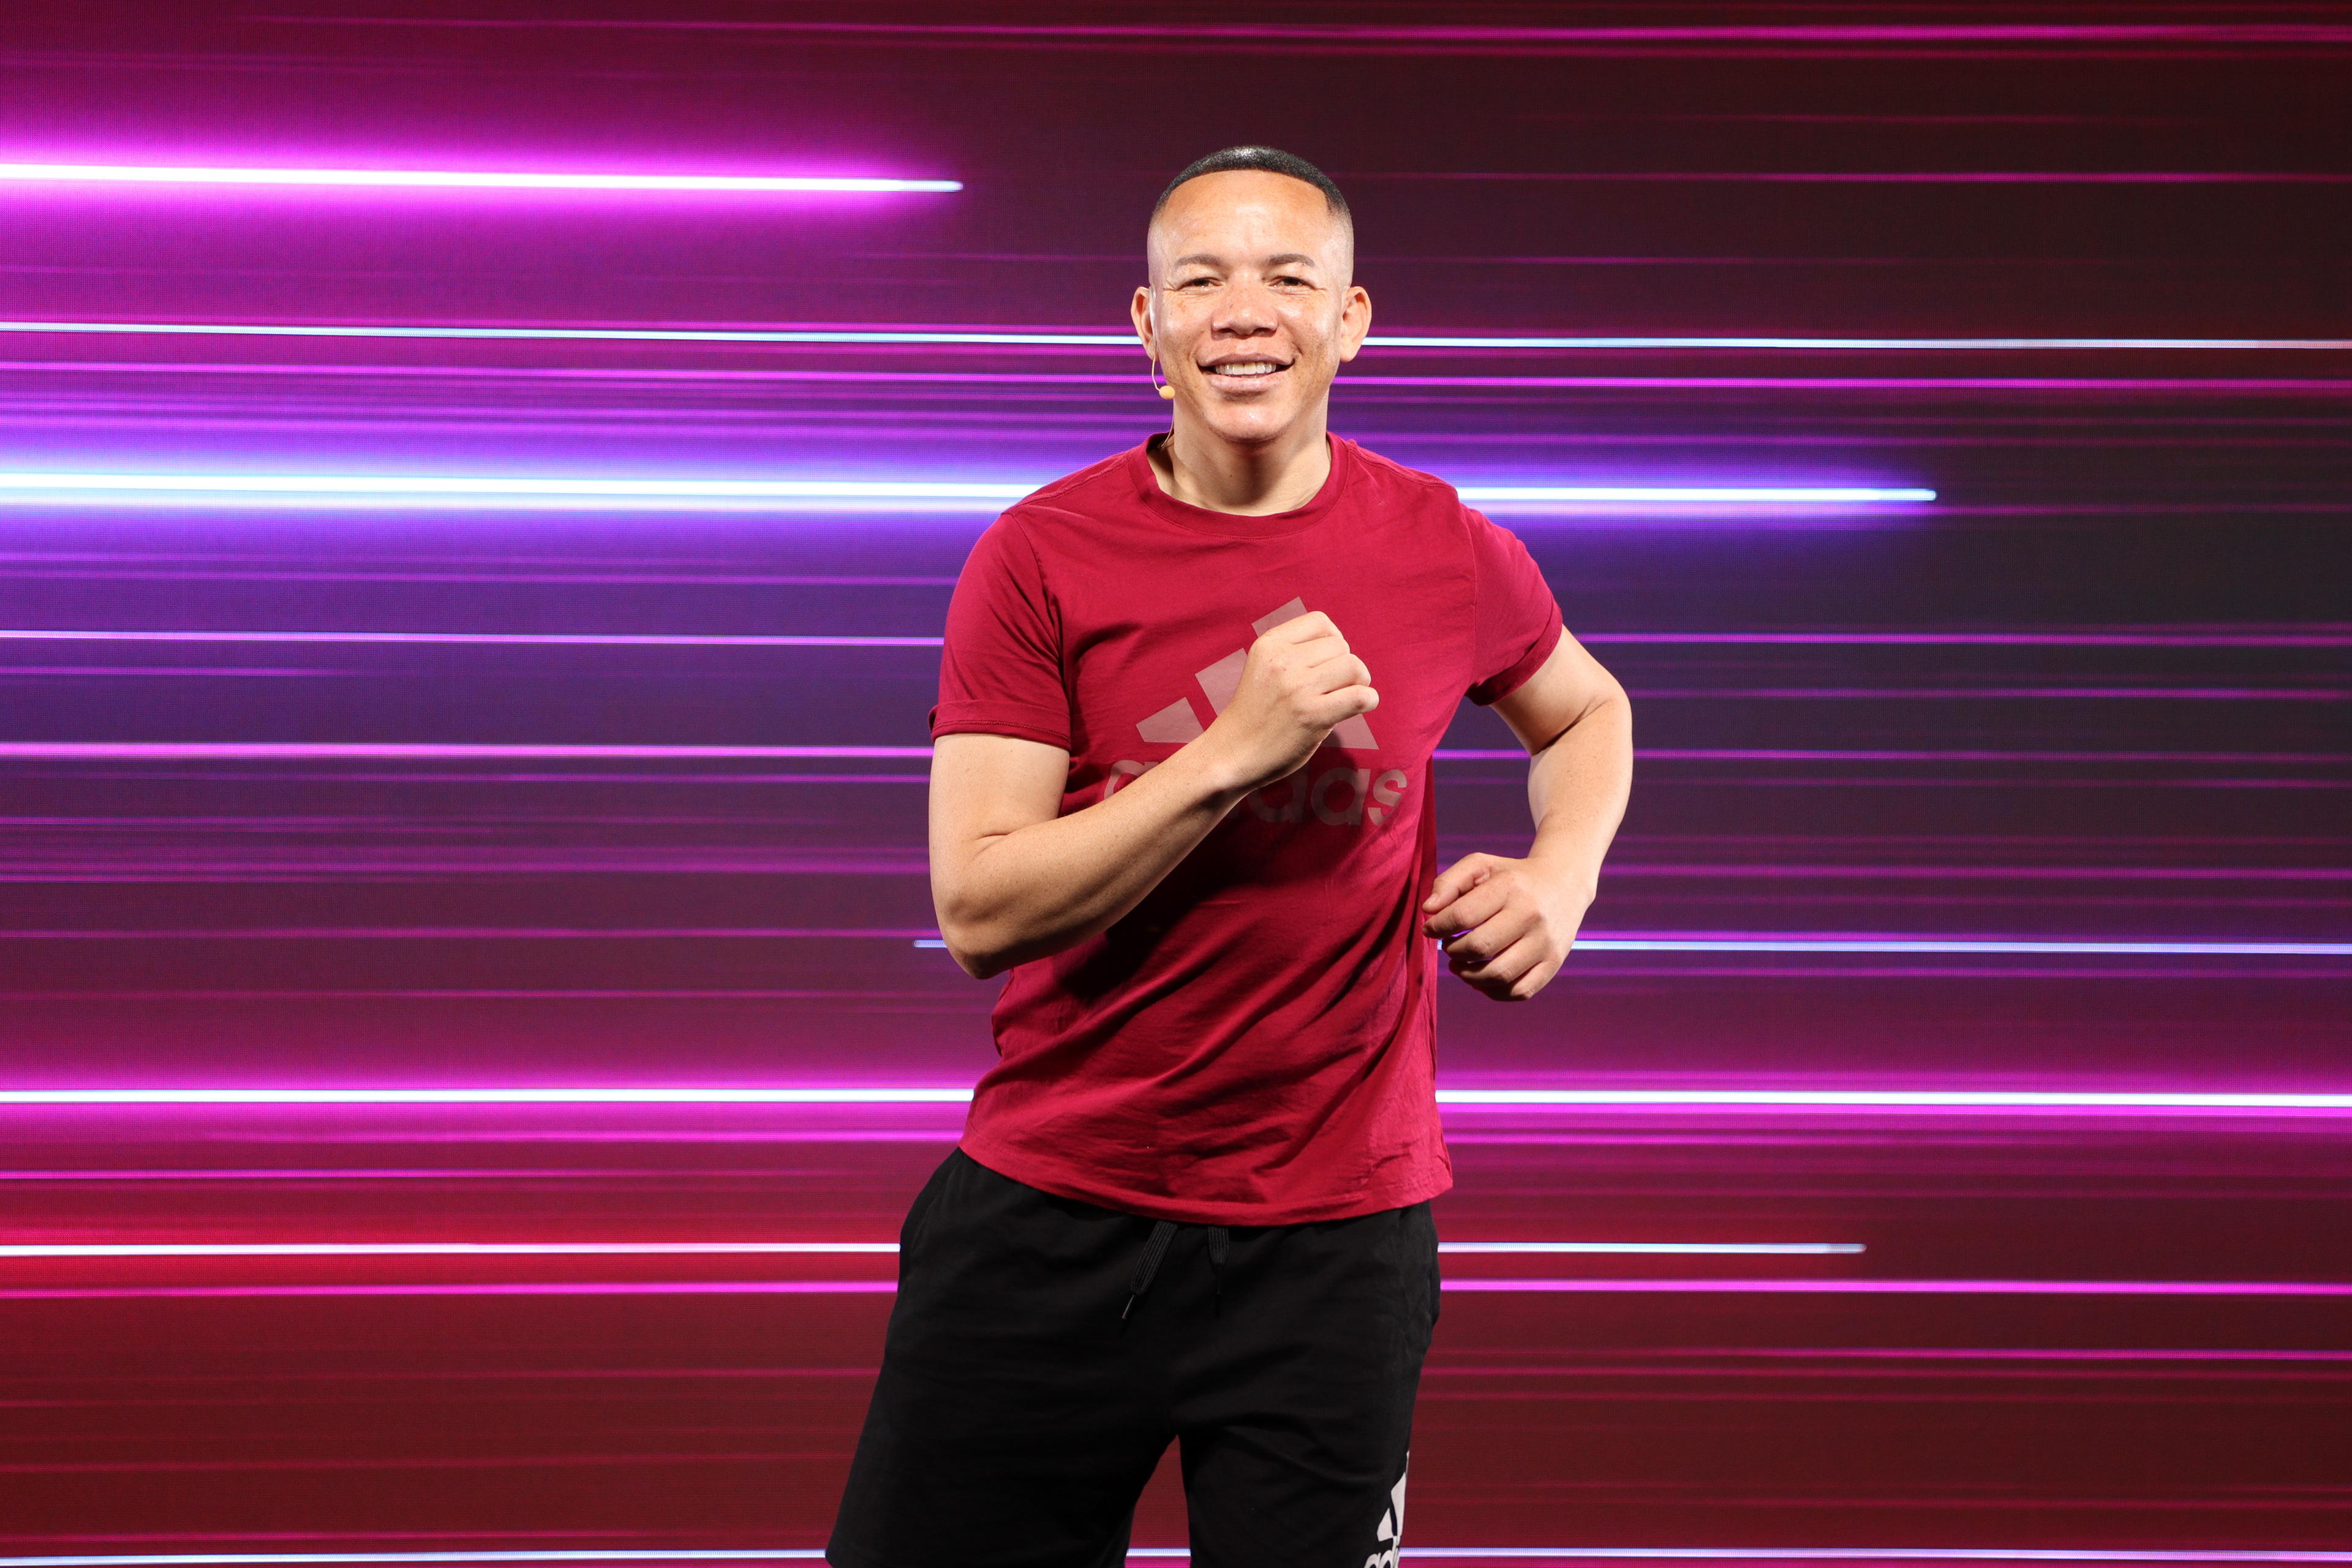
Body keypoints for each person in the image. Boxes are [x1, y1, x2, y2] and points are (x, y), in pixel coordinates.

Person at [827, 145, 1632, 1568]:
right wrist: (1227, 754)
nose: (1244, 311)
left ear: (1350, 320)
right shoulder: (1037, 555)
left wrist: (1559, 876)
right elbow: (979, 906)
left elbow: (1587, 711)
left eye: (1287, 277)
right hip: (1052, 1210)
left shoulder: (1444, 544)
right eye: (1199, 281)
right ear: (1148, 327)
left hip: (1338, 1240)